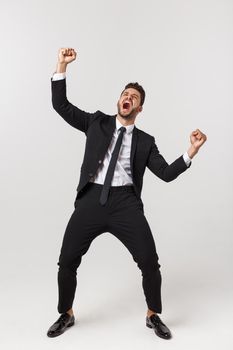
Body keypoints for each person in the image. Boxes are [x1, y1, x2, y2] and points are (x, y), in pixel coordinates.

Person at [47, 48, 207, 339]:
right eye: (125, 94)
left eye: (134, 97)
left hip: (126, 205)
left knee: (149, 261)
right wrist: (62, 65)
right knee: (67, 259)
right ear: (118, 100)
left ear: (139, 108)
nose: (128, 98)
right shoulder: (96, 122)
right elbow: (61, 105)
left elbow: (167, 173)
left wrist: (190, 152)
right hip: (91, 199)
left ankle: (153, 315)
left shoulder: (146, 141)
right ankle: (66, 313)